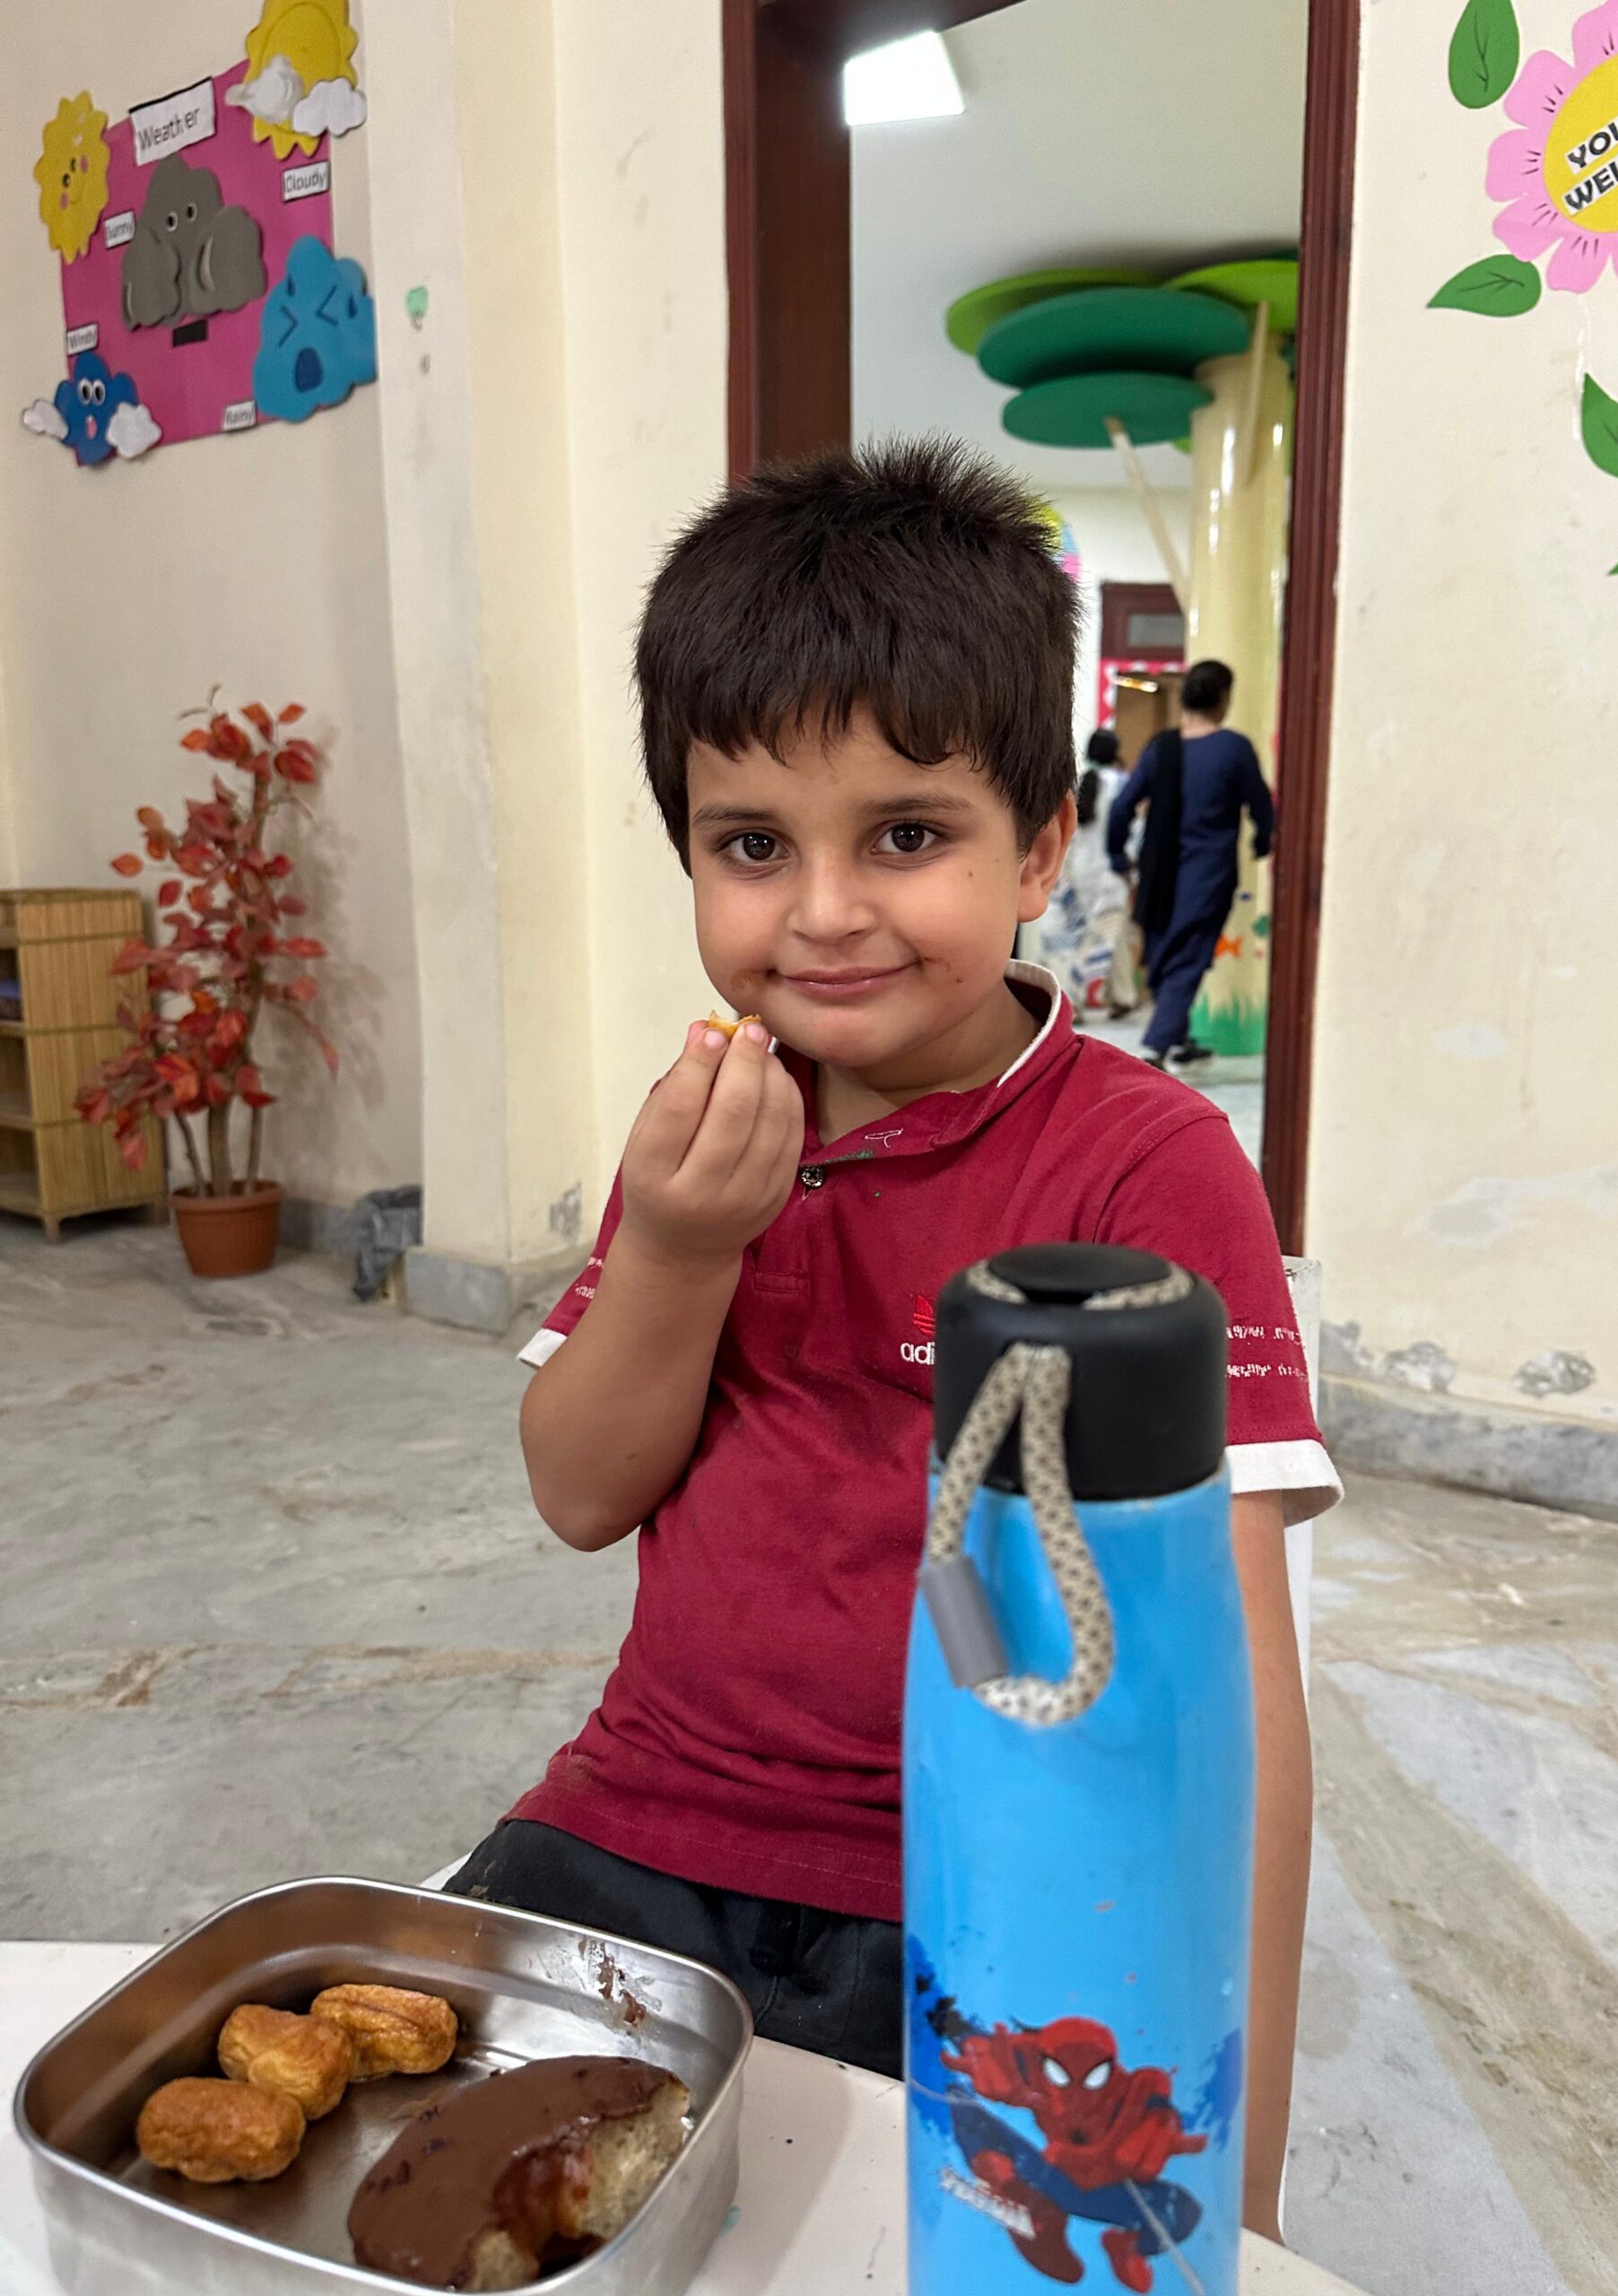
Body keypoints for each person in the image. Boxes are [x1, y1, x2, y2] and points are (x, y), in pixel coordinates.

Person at [448, 441, 1339, 2239]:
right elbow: (581, 1492)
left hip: (992, 1870)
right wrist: (681, 1245)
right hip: (638, 1822)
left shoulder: (1145, 1166)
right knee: (432, 2188)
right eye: (752, 845)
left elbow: (1230, 1679)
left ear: (1041, 846)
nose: (826, 910)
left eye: (907, 835)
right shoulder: (715, 1123)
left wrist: (1230, 2181)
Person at [1107, 659, 1274, 1070]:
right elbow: (1261, 805)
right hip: (1207, 875)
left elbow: (1122, 806)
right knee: (1188, 958)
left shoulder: (1161, 748)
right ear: (1223, 699)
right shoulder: (1233, 748)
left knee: (1164, 953)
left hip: (1157, 873)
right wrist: (1262, 841)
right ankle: (1155, 1047)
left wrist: (1117, 854)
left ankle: (1178, 1040)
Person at [1039, 728, 1129, 1019]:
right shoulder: (1121, 783)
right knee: (1108, 935)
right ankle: (1117, 996)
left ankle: (1079, 999)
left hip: (1076, 872)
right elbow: (1132, 830)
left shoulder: (1074, 783)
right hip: (1111, 874)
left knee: (1080, 937)